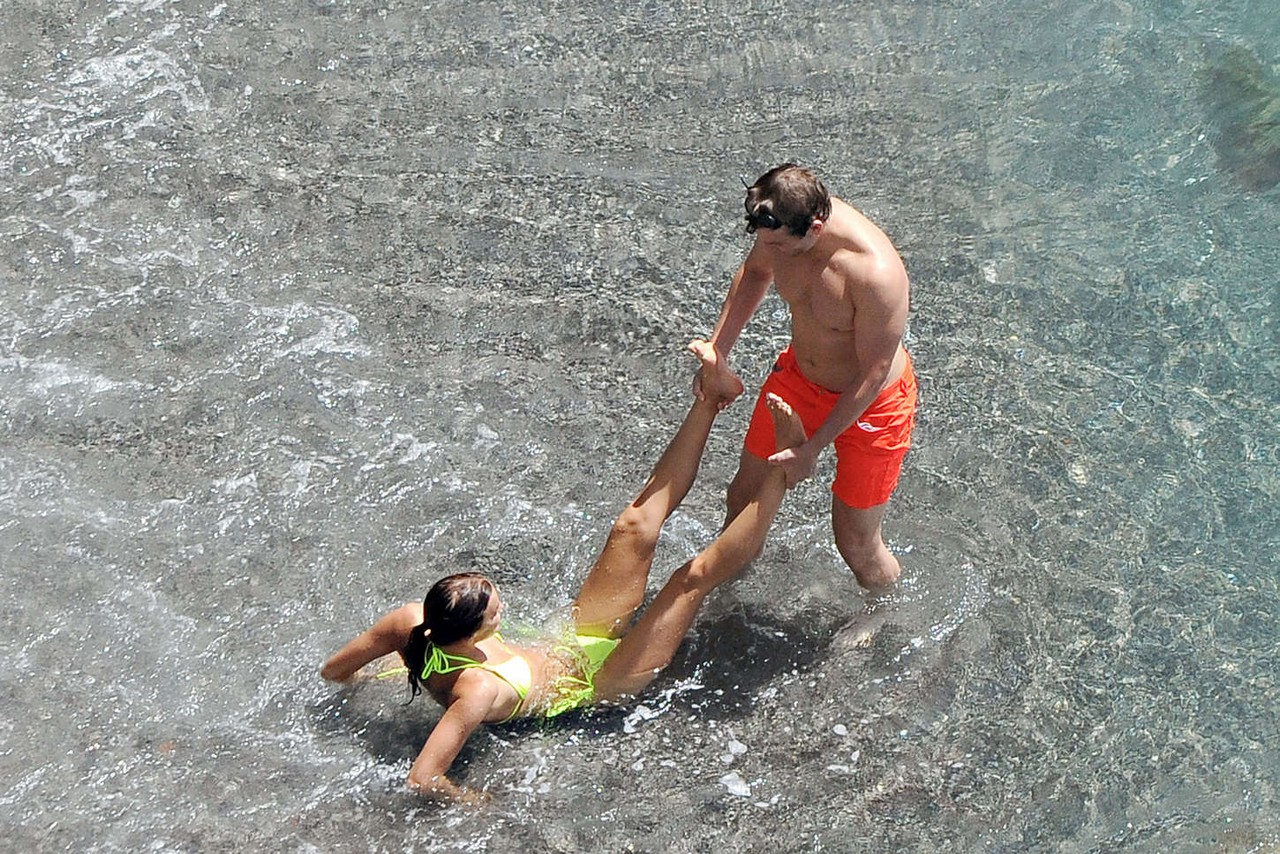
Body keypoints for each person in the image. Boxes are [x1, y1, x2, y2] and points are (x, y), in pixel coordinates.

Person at [320, 342, 807, 804]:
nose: (501, 605)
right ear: (472, 632)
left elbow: (334, 670)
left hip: (573, 640)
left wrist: (369, 681)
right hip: (601, 685)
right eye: (494, 610)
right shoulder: (477, 690)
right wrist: (478, 805)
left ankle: (711, 399)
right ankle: (785, 468)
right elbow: (424, 778)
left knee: (632, 526)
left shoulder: (410, 620)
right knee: (691, 578)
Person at [694, 164, 917, 590]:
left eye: (780, 246)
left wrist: (812, 448)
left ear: (815, 228)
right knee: (742, 499)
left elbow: (871, 376)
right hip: (798, 379)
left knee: (855, 543)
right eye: (764, 243)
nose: (769, 253)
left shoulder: (875, 274)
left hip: (872, 404)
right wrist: (717, 353)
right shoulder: (778, 229)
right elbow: (756, 274)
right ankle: (720, 589)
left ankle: (881, 612)